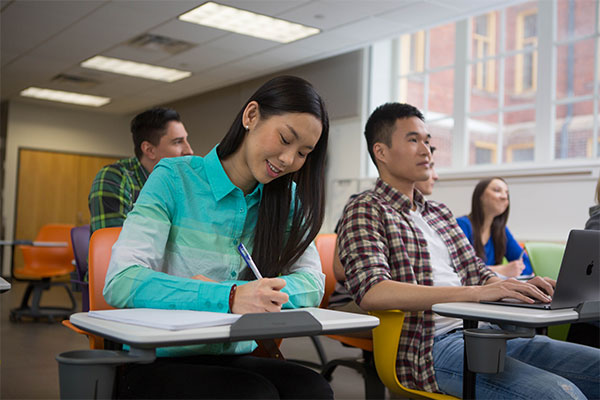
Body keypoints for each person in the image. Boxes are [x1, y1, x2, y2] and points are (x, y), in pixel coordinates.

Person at [337, 102, 599, 399]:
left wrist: (522, 287)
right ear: (381, 152)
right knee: (560, 395)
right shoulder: (366, 208)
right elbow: (373, 291)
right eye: (413, 140)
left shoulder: (439, 213)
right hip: (429, 346)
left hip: (486, 333)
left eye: (428, 141)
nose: (426, 150)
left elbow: (477, 272)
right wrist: (475, 293)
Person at [103, 76, 333, 399]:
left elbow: (312, 283)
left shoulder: (285, 198)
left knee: (313, 389)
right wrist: (229, 297)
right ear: (251, 116)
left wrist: (253, 295)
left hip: (233, 354)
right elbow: (122, 281)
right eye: (284, 139)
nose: (288, 160)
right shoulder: (173, 179)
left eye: (303, 152)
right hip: (159, 358)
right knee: (253, 395)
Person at [328, 149, 439, 314]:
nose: (435, 175)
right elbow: (340, 270)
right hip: (356, 299)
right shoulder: (365, 205)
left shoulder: (430, 214)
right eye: (429, 167)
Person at [88, 107, 194, 234]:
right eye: (178, 142)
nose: (189, 151)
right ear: (149, 150)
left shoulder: (179, 184)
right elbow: (114, 244)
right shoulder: (116, 178)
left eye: (186, 140)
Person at [456, 178, 533, 278]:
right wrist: (500, 270)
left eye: (507, 193)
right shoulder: (461, 225)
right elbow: (459, 269)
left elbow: (527, 266)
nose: (504, 197)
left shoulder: (502, 231)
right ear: (480, 196)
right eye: (497, 190)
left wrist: (507, 270)